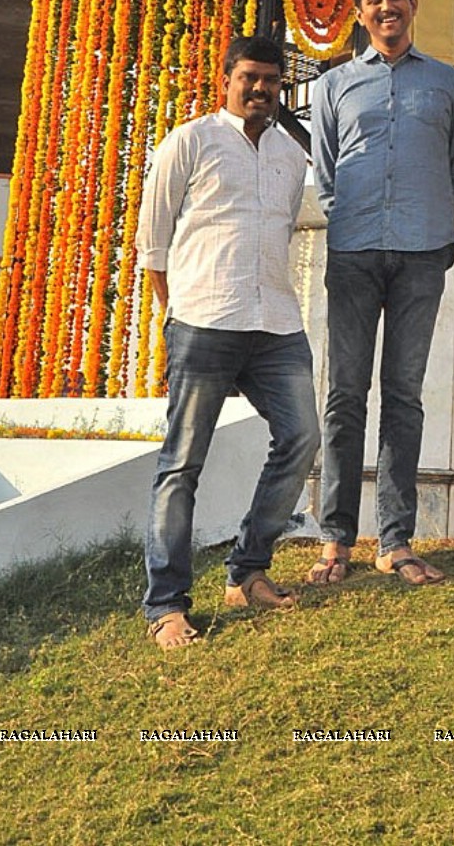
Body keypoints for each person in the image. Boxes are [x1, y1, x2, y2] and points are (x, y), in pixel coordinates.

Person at [135, 35, 321, 649]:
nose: (262, 89)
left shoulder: (293, 158)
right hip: (204, 321)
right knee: (182, 464)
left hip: (275, 323)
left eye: (271, 80)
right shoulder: (189, 142)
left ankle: (247, 571)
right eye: (250, 78)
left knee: (301, 436)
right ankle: (166, 605)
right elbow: (153, 246)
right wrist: (179, 316)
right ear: (227, 79)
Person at [310, 0, 454, 586]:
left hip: (422, 252)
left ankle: (396, 541)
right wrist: (351, 221)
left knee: (403, 397)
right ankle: (336, 540)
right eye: (374, 0)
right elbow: (326, 174)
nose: (386, 9)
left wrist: (430, 224)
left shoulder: (447, 84)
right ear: (359, 12)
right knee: (345, 397)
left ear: (413, 4)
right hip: (353, 253)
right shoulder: (335, 86)